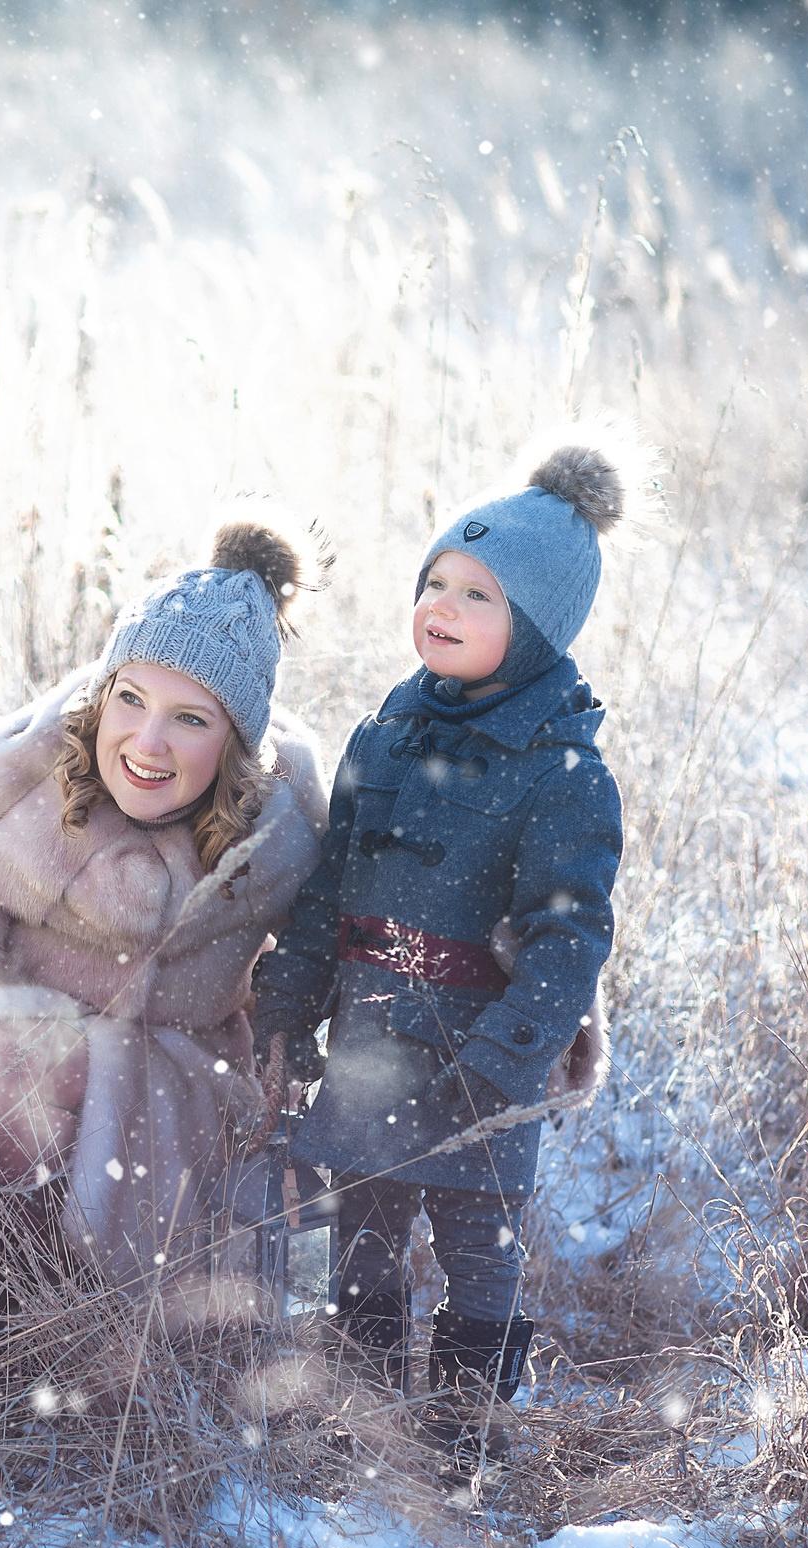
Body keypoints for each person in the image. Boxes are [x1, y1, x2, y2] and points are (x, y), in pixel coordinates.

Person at [0, 519, 327, 1325]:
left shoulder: (277, 838)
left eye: (190, 719)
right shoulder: (20, 790)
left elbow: (310, 983)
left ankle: (68, 1316)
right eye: (131, 700)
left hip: (162, 1119)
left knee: (47, 1065)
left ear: (235, 741)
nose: (148, 741)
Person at [251, 442, 625, 1468]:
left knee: (477, 1250)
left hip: (476, 1056)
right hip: (372, 1041)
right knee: (363, 1241)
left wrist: (504, 1062)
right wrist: (286, 1006)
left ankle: (464, 1444)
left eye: (477, 595)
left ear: (537, 626)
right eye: (434, 584)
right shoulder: (385, 736)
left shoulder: (561, 770)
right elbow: (327, 892)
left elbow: (569, 940)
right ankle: (366, 1433)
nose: (441, 607)